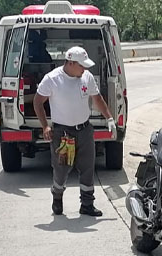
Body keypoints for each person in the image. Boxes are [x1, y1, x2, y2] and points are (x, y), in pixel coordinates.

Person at [33, 46, 116, 217]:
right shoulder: (52, 79)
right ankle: (57, 196)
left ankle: (87, 204)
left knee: (87, 167)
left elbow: (97, 98)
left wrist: (109, 119)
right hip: (63, 134)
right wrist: (45, 126)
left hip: (84, 130)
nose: (84, 69)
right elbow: (37, 102)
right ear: (70, 63)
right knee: (62, 169)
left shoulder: (87, 77)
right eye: (81, 65)